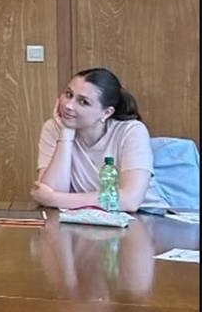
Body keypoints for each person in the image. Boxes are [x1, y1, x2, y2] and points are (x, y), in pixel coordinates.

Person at [30, 67, 163, 212]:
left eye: (83, 102)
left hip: (145, 219)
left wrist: (54, 199)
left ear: (106, 112)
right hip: (86, 220)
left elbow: (130, 200)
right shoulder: (55, 128)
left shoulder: (132, 131)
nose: (68, 105)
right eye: (68, 94)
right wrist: (66, 134)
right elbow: (50, 189)